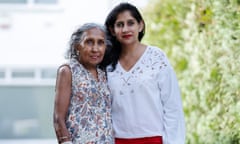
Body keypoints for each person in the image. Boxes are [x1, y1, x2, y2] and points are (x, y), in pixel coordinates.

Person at [103, 2, 185, 144]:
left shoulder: (156, 57)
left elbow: (172, 106)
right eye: (120, 25)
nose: (125, 29)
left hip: (154, 139)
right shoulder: (107, 63)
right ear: (112, 30)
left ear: (140, 26)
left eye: (130, 23)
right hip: (118, 140)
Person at [53, 23, 114, 144]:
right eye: (89, 42)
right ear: (77, 46)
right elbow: (58, 118)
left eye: (100, 43)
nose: (95, 49)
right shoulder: (68, 71)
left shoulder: (103, 74)